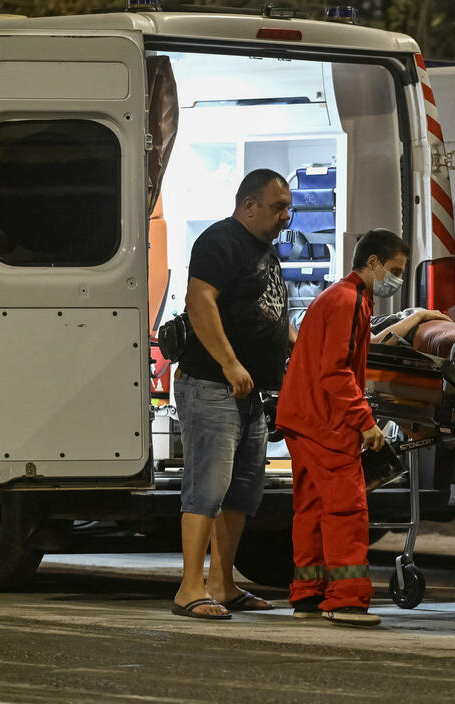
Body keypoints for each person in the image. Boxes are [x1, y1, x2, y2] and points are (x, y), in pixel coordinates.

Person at [171, 169, 292, 619]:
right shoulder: (220, 241)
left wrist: (297, 345)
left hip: (250, 395)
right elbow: (199, 300)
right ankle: (189, 588)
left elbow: (270, 311)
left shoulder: (264, 252)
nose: (286, 215)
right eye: (278, 206)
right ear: (249, 205)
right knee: (207, 489)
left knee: (242, 493)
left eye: (287, 206)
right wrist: (229, 362)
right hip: (212, 387)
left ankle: (222, 585)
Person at [275, 228, 410, 627]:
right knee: (347, 509)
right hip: (324, 423)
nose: (397, 279)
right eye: (396, 270)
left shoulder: (340, 297)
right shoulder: (349, 300)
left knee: (312, 510)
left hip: (302, 418)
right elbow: (335, 372)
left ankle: (309, 595)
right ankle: (347, 598)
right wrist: (365, 423)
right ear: (373, 263)